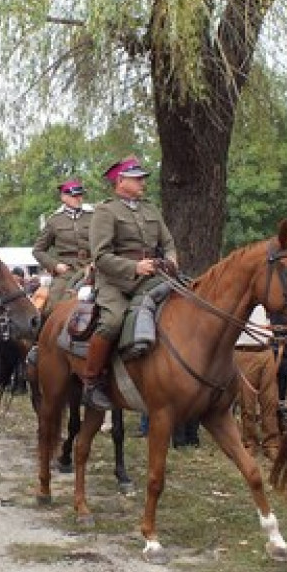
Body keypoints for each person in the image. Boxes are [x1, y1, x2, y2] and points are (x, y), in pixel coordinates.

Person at [85, 156, 178, 410]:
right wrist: (134, 267)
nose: (142, 182)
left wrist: (171, 259)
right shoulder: (106, 211)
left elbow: (168, 243)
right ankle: (92, 382)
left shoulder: (151, 209)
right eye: (136, 178)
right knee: (113, 321)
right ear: (120, 181)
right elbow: (101, 256)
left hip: (153, 278)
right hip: (116, 283)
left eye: (142, 178)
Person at [32, 179, 94, 315]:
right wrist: (55, 266)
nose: (78, 198)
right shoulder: (54, 221)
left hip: (92, 268)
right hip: (67, 272)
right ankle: (42, 335)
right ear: (63, 197)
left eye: (80, 195)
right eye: (74, 195)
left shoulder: (93, 217)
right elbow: (38, 250)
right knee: (51, 308)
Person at [234, 304, 281, 460]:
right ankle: (250, 442)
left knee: (270, 400)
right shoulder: (240, 302)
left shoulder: (265, 303)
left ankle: (271, 443)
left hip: (266, 350)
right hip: (244, 351)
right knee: (247, 402)